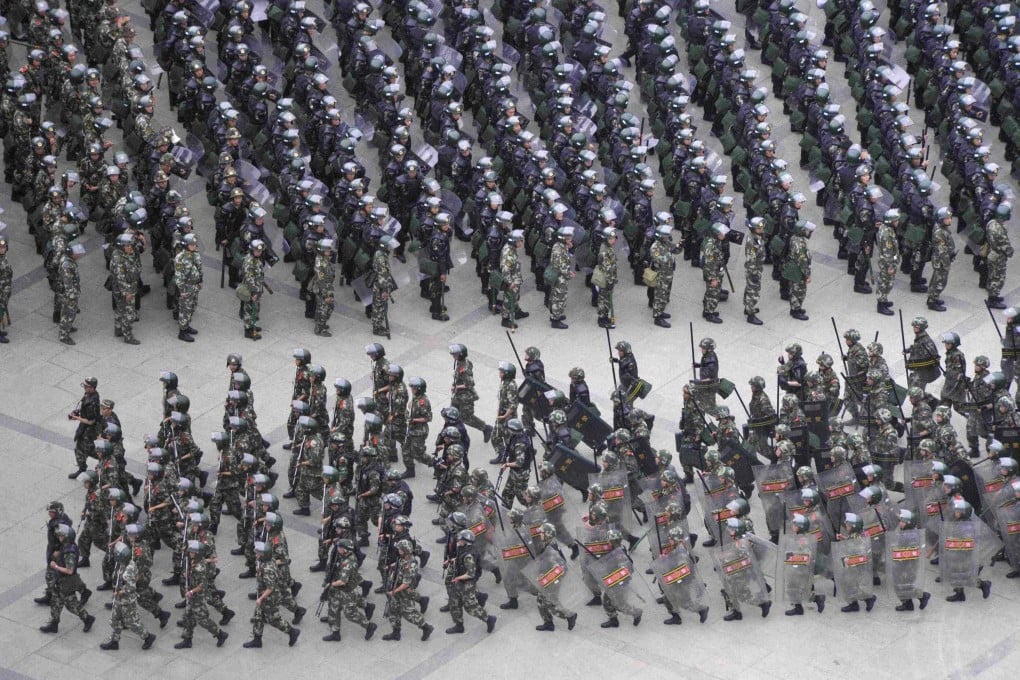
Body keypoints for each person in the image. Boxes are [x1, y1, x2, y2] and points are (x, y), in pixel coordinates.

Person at [99, 542, 157, 650]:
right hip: (119, 599)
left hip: (127, 601)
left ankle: (147, 637)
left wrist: (118, 592)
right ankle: (114, 641)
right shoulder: (124, 563)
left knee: (132, 623)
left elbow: (130, 588)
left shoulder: (128, 571)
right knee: (115, 619)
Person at [39, 525, 96, 635]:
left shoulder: (69, 552)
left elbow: (69, 570)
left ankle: (87, 618)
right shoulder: (66, 546)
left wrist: (55, 566)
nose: (59, 537)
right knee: (56, 601)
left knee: (71, 604)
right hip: (60, 580)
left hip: (67, 582)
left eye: (61, 535)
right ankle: (54, 624)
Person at [244, 540, 301, 648]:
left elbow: (270, 588)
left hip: (270, 598)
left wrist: (260, 598)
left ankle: (292, 632)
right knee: (258, 616)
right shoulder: (267, 562)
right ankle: (257, 640)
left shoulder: (268, 569)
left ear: (264, 555)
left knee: (274, 620)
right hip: (265, 595)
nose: (256, 555)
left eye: (258, 553)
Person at [322, 538, 377, 642]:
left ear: (346, 550)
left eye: (340, 547)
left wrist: (330, 585)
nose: (337, 548)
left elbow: (342, 581)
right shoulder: (342, 555)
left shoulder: (348, 563)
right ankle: (335, 633)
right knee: (334, 608)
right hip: (338, 590)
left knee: (350, 614)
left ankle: (369, 626)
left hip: (347, 591)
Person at [445, 530, 497, 635]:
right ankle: (459, 625)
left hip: (467, 583)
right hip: (459, 581)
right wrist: (451, 561)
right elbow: (460, 559)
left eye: (461, 539)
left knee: (470, 606)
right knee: (454, 602)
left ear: (466, 541)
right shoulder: (463, 549)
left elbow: (471, 574)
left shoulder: (469, 556)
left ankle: (488, 619)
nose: (458, 540)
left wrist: (458, 578)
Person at [382, 540, 434, 641]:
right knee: (393, 611)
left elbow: (406, 584)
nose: (398, 551)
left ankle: (426, 627)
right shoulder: (402, 558)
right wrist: (391, 566)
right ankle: (396, 633)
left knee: (409, 613)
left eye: (400, 550)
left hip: (404, 593)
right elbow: (399, 566)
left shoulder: (411, 565)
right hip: (396, 590)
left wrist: (393, 591)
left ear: (405, 551)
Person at [110, 233, 141, 344]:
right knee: (128, 313)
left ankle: (118, 329)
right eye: (127, 246)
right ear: (121, 246)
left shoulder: (129, 253)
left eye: (131, 245)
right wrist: (127, 292)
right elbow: (120, 278)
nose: (130, 247)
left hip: (128, 286)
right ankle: (128, 336)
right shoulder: (118, 258)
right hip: (124, 290)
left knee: (120, 309)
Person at [70, 376, 102, 478]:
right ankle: (82, 468)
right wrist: (78, 412)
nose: (85, 388)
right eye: (84, 385)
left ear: (93, 387)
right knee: (80, 448)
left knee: (88, 450)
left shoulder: (93, 402)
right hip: (84, 429)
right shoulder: (88, 394)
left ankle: (107, 459)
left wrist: (76, 417)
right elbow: (83, 405)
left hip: (90, 431)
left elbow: (91, 421)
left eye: (87, 386)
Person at [173, 233, 201, 342]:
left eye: (195, 244)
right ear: (186, 245)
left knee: (192, 307)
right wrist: (182, 290)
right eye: (192, 244)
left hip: (195, 286)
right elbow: (179, 276)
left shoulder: (195, 255)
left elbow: (199, 268)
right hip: (186, 287)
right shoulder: (180, 258)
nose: (194, 246)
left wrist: (200, 280)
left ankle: (187, 325)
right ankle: (182, 332)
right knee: (185, 310)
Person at [926, 207, 954, 312]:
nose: (950, 220)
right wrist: (947, 262)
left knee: (936, 279)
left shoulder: (941, 228)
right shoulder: (939, 232)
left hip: (941, 259)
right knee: (940, 281)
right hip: (941, 261)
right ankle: (932, 300)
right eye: (947, 218)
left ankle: (933, 297)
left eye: (950, 218)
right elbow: (942, 250)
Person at [56, 241, 85, 345]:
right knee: (68, 313)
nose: (79, 254)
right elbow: (68, 283)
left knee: (69, 313)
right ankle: (63, 335)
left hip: (71, 292)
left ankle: (68, 327)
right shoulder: (67, 264)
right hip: (68, 294)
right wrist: (72, 297)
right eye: (77, 253)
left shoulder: (70, 260)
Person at [649, 222, 676, 328]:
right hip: (661, 274)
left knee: (665, 295)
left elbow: (674, 249)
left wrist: (679, 246)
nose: (667, 237)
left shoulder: (666, 243)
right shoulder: (655, 247)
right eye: (665, 235)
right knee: (660, 295)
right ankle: (657, 317)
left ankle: (661, 311)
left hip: (668, 273)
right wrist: (668, 255)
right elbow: (659, 259)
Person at [371, 235, 398, 338]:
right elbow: (383, 275)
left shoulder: (381, 253)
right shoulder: (381, 258)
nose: (390, 248)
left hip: (381, 285)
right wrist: (385, 291)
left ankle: (378, 324)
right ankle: (376, 328)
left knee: (380, 306)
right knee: (379, 307)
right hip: (380, 287)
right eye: (389, 246)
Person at [785, 220, 813, 320]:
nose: (808, 232)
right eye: (807, 231)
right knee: (799, 290)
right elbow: (803, 261)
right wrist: (807, 275)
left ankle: (796, 308)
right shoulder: (800, 244)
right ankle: (795, 310)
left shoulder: (795, 238)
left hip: (794, 268)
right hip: (798, 270)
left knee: (795, 289)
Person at [548, 226, 574, 329]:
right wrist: (569, 273)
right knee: (559, 298)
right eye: (568, 238)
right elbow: (561, 266)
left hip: (561, 276)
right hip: (560, 277)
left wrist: (567, 246)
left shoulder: (559, 246)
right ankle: (555, 320)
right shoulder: (559, 250)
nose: (570, 239)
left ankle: (556, 314)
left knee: (557, 297)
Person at [240, 239, 267, 340]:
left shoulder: (256, 259)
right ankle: (248, 330)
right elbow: (248, 278)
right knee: (249, 309)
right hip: (251, 290)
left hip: (257, 288)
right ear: (252, 250)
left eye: (260, 251)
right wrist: (254, 292)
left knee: (255, 309)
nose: (259, 253)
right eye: (257, 251)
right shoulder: (249, 261)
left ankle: (252, 325)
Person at [310, 238, 336, 337]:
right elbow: (321, 280)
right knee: (324, 308)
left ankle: (320, 323)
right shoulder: (320, 262)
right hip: (323, 289)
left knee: (323, 307)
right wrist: (326, 295)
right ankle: (319, 329)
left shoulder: (324, 259)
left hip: (327, 287)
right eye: (327, 250)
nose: (329, 251)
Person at [500, 229, 526, 329]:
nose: (521, 242)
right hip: (512, 280)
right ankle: (505, 319)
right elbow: (505, 269)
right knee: (509, 298)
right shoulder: (509, 253)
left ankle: (517, 311)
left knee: (515, 296)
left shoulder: (511, 248)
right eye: (519, 241)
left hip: (515, 278)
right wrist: (510, 282)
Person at [594, 226, 619, 329]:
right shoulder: (604, 251)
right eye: (611, 239)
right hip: (605, 279)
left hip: (609, 278)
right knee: (603, 299)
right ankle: (602, 319)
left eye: (613, 238)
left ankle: (605, 316)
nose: (613, 240)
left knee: (607, 299)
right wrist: (610, 281)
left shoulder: (608, 247)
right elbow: (607, 268)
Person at [701, 223, 726, 323]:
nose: (724, 234)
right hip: (713, 273)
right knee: (713, 294)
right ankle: (710, 314)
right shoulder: (711, 245)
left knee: (711, 292)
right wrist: (713, 278)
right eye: (722, 233)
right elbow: (708, 263)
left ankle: (707, 311)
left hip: (716, 271)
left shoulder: (717, 241)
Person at [743, 216, 765, 325]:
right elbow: (751, 259)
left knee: (750, 289)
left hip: (757, 267)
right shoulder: (752, 242)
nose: (761, 229)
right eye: (759, 228)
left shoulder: (757, 237)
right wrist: (754, 273)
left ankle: (748, 308)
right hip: (753, 270)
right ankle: (750, 315)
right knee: (753, 292)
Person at [0, 235, 10, 343]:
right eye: (0, 247)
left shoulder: (3, 257)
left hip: (4, 290)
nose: (2, 249)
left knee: (1, 311)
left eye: (4, 247)